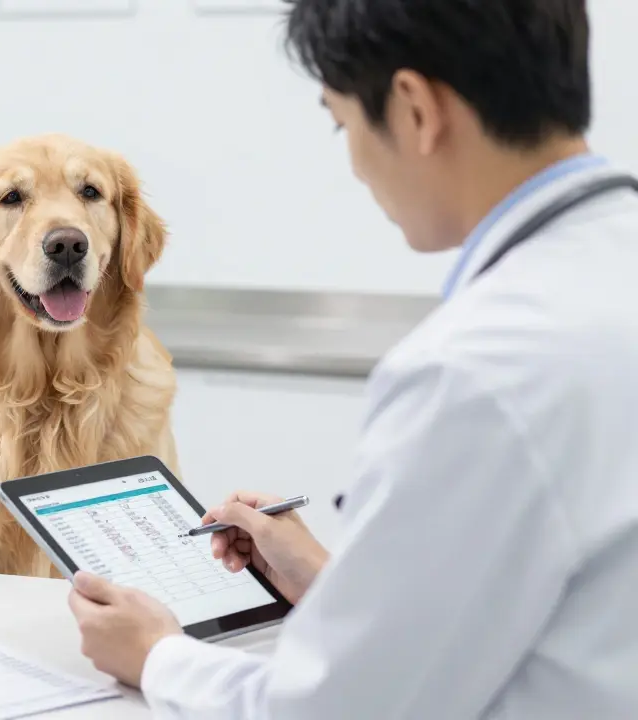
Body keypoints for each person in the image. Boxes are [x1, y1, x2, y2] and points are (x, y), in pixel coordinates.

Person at [68, 0, 638, 717]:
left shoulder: (476, 368)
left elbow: (330, 709)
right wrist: (344, 587)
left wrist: (156, 654)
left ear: (413, 109)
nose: (356, 166)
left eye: (342, 123)